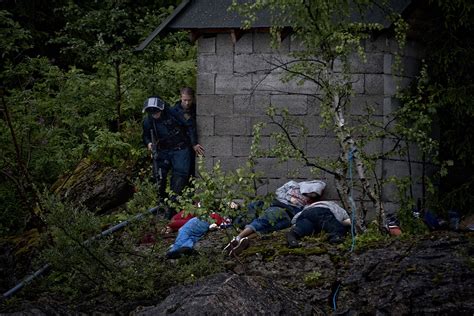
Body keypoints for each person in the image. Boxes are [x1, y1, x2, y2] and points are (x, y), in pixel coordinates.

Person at [224, 180, 326, 256]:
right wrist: (290, 198)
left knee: (265, 225)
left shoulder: (310, 203)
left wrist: (295, 221)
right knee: (265, 224)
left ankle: (241, 239)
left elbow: (304, 213)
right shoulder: (293, 186)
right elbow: (277, 192)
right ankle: (241, 238)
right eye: (310, 192)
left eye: (314, 195)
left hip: (287, 216)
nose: (310, 196)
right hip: (278, 207)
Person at [142, 96, 199, 218]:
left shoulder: (174, 113)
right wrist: (149, 143)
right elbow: (145, 135)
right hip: (163, 150)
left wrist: (194, 143)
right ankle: (161, 204)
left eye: (156, 111)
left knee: (179, 178)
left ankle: (173, 208)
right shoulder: (148, 121)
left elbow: (190, 124)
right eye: (151, 112)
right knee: (158, 177)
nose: (154, 114)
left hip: (180, 149)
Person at [286, 199, 352, 247]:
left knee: (304, 227)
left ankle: (293, 234)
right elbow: (348, 221)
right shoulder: (338, 208)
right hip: (322, 212)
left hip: (305, 214)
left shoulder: (309, 206)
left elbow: (296, 218)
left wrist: (295, 224)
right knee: (337, 227)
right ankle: (336, 237)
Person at [170, 87, 204, 178]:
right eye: (185, 100)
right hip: (180, 145)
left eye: (189, 100)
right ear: (180, 98)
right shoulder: (174, 111)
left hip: (192, 145)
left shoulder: (196, 109)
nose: (187, 103)